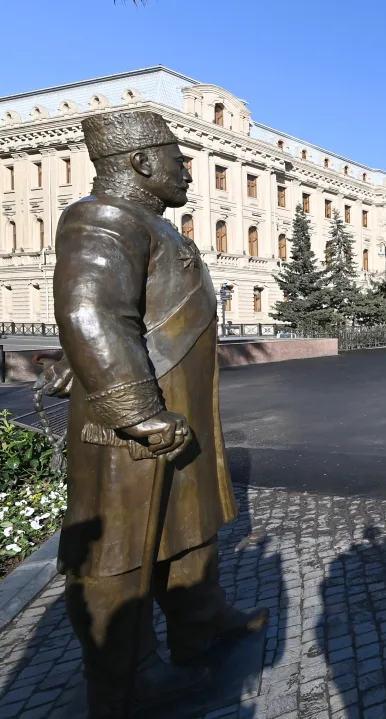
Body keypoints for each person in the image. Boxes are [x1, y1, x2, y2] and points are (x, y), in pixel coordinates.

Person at [35, 111, 267, 717]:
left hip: (176, 409)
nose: (187, 170)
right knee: (120, 549)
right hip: (134, 424)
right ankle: (124, 680)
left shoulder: (149, 226)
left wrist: (80, 357)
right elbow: (92, 312)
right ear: (141, 162)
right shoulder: (102, 217)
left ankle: (201, 622)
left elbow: (124, 307)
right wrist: (136, 410)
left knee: (189, 522)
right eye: (177, 158)